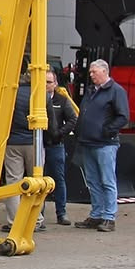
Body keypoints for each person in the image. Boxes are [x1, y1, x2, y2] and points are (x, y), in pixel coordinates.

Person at [75, 59, 129, 232]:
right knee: (92, 181)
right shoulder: (91, 91)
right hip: (88, 142)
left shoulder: (116, 91)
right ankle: (96, 214)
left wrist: (107, 130)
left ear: (105, 72)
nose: (91, 75)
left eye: (94, 72)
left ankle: (109, 217)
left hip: (105, 143)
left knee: (107, 180)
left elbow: (123, 116)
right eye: (90, 72)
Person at [0, 77, 43, 232]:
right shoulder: (39, 93)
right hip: (34, 142)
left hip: (13, 143)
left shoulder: (10, 93)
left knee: (13, 182)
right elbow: (51, 117)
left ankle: (13, 221)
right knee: (37, 181)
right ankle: (35, 220)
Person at [43, 68, 79, 226]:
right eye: (43, 81)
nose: (46, 85)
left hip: (55, 146)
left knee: (59, 179)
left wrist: (60, 133)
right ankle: (38, 215)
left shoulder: (61, 100)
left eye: (49, 82)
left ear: (55, 83)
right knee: (38, 181)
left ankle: (61, 213)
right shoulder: (34, 99)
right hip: (38, 146)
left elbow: (73, 119)